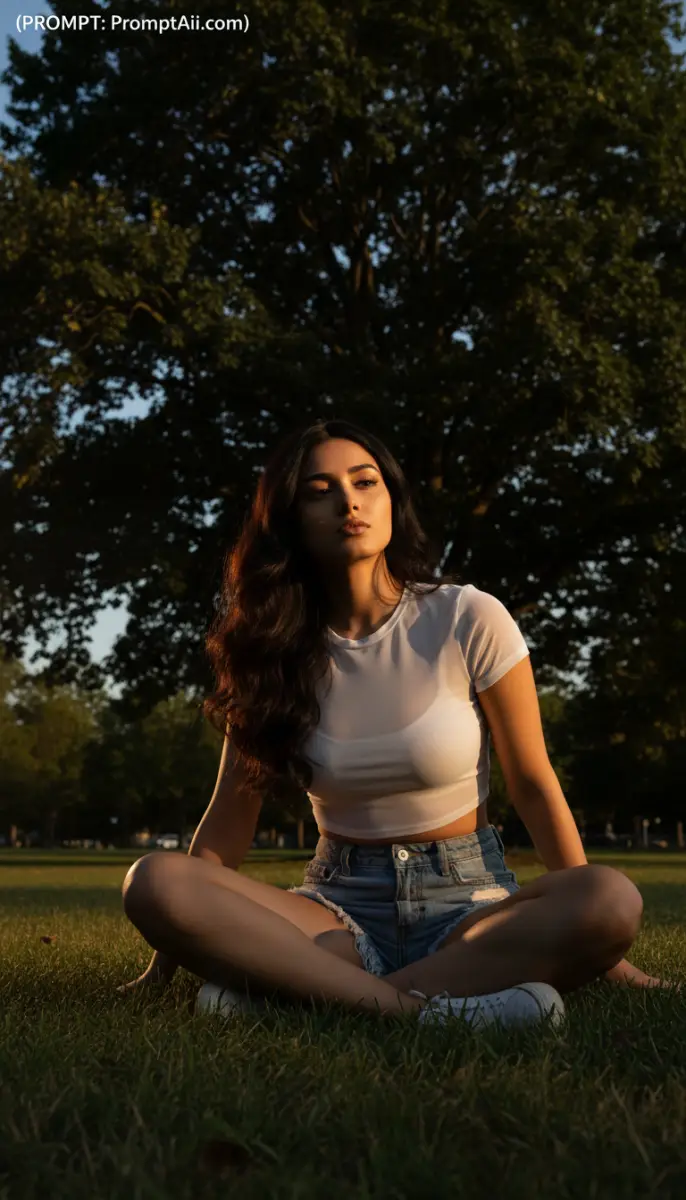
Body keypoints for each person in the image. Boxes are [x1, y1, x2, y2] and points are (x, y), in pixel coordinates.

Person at [119, 418, 673, 1029]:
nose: (348, 502)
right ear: (291, 518)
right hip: (337, 913)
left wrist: (610, 956)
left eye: (365, 482)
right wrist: (165, 956)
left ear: (391, 499)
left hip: (468, 908)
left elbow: (533, 783)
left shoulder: (467, 616)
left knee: (608, 897)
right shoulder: (268, 652)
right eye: (320, 491)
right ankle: (420, 1012)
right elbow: (226, 824)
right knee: (154, 880)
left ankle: (304, 998)